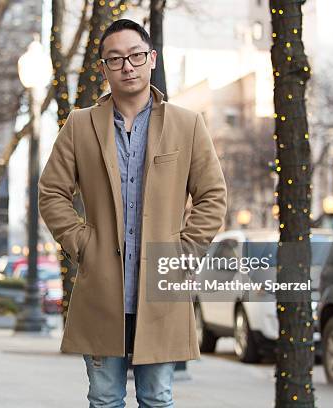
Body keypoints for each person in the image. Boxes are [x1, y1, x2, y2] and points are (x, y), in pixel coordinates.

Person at [38, 19, 227, 407]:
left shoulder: (186, 124)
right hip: (102, 290)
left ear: (151, 59)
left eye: (136, 55)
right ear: (104, 67)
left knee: (157, 398)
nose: (128, 66)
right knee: (104, 398)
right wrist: (83, 244)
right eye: (116, 58)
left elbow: (212, 196)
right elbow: (51, 192)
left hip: (160, 289)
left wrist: (183, 252)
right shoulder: (79, 125)